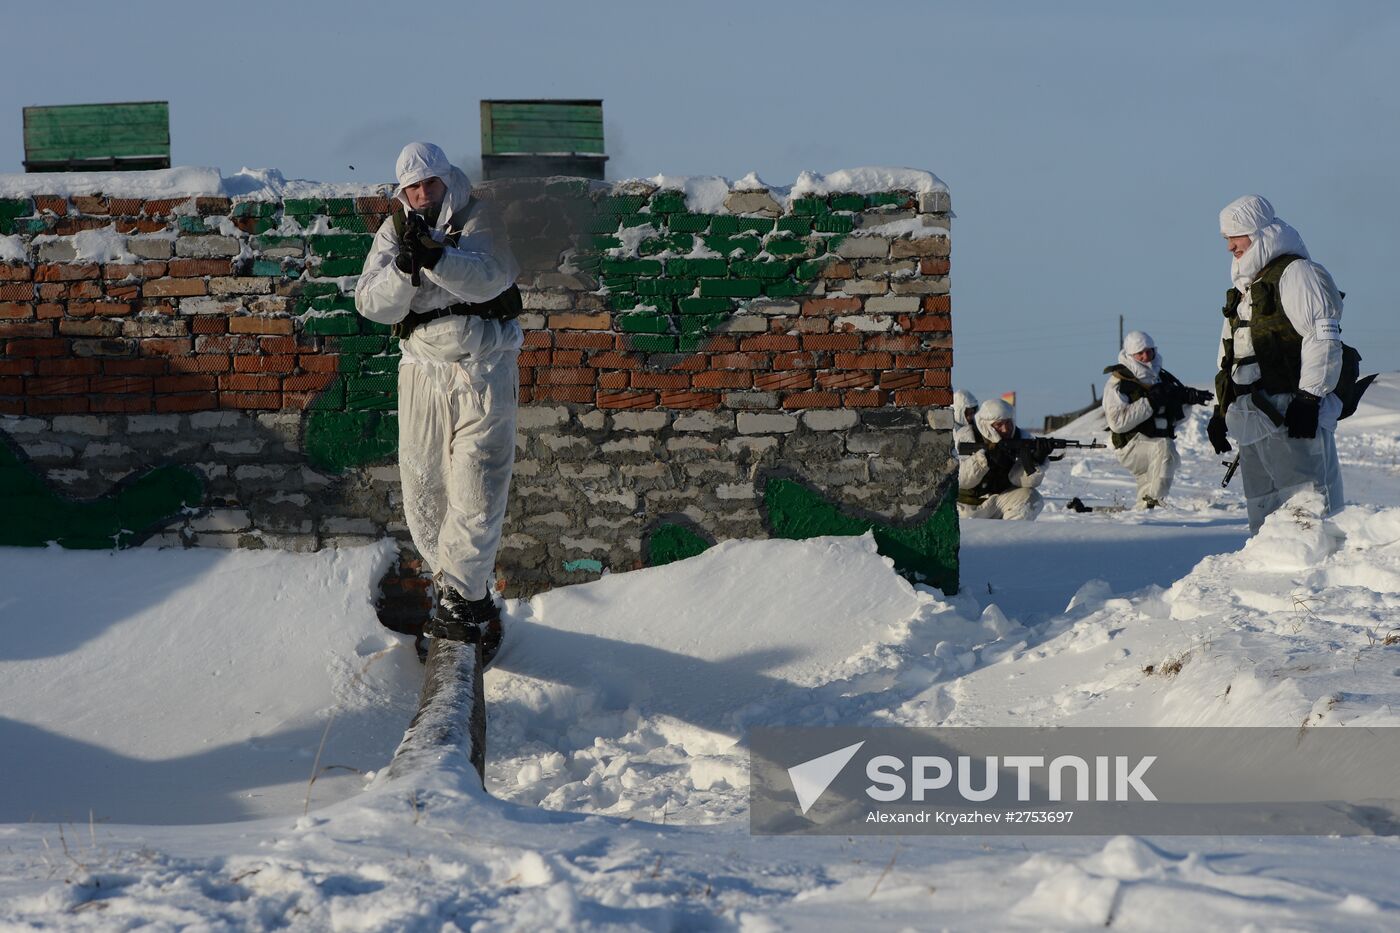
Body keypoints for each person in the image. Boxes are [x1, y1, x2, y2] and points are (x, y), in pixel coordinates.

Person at [355, 142, 524, 665]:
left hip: (482, 367)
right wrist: (404, 268)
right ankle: (456, 590)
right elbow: (371, 304)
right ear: (402, 191)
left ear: (447, 180)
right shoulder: (393, 231)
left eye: (430, 182)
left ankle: (463, 600)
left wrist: (437, 257)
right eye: (412, 186)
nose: (422, 193)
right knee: (424, 488)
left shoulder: (477, 219)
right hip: (422, 371)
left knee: (477, 482)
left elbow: (490, 276)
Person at [1209, 195, 1345, 533]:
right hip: (1251, 417)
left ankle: (1317, 564)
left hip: (1290, 412)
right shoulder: (1246, 290)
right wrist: (1220, 410)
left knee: (1306, 508)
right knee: (1264, 513)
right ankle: (1268, 564)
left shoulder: (1297, 273)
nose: (1229, 246)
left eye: (1235, 236)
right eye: (1226, 238)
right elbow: (1229, 355)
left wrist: (1309, 398)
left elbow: (1322, 337)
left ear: (1258, 233)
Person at [1102, 331, 1212, 508]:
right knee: (1165, 449)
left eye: (1149, 351)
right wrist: (1150, 402)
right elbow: (1117, 423)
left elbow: (1175, 421)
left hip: (1154, 441)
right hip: (1131, 446)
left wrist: (1186, 400)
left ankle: (1143, 514)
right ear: (1130, 355)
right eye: (1140, 353)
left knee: (1156, 472)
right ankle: (1154, 503)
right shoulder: (1119, 382)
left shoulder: (1162, 377)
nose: (1146, 357)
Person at [957, 399, 1051, 521]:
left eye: (1008, 423)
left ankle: (1009, 531)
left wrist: (1036, 459)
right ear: (986, 425)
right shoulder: (967, 436)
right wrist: (985, 459)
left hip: (999, 501)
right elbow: (961, 480)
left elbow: (1022, 482)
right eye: (999, 425)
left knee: (1031, 498)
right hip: (966, 506)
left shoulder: (1022, 438)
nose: (1006, 429)